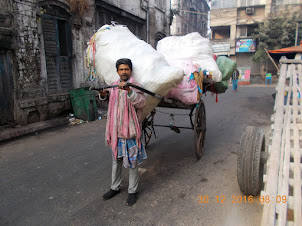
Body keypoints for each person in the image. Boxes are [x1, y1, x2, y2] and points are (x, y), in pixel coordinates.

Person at [101, 58, 147, 206]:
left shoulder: (136, 86)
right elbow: (106, 98)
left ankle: (132, 191)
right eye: (121, 69)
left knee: (132, 162)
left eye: (126, 69)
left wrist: (129, 91)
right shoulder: (113, 86)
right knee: (116, 159)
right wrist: (103, 94)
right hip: (116, 130)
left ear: (130, 71)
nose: (124, 72)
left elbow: (142, 103)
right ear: (117, 71)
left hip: (131, 130)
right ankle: (115, 187)